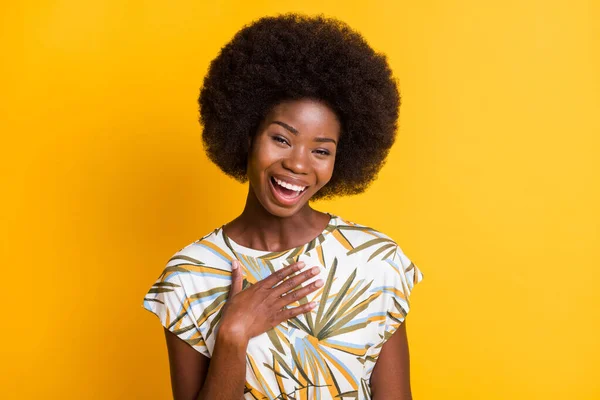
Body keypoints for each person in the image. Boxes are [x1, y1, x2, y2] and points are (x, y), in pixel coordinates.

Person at [142, 13, 424, 400]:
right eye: (281, 139)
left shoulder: (376, 262)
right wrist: (233, 334)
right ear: (246, 135)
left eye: (321, 150)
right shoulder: (189, 278)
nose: (298, 164)